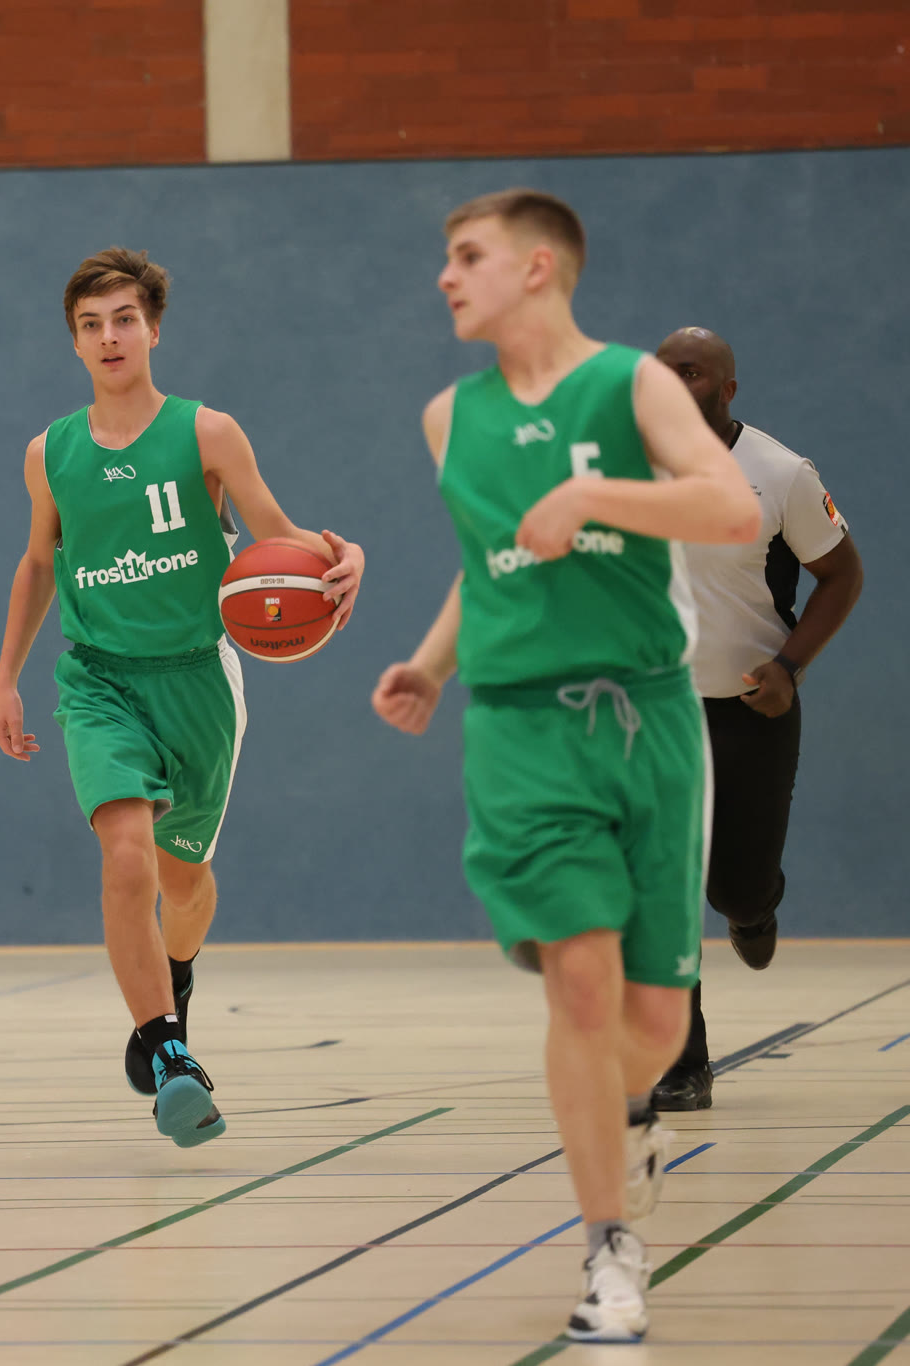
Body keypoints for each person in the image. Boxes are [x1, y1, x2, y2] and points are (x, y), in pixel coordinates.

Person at [372, 190, 760, 1342]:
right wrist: (430, 663)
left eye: (466, 256)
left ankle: (630, 1109)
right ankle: (608, 1251)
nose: (444, 277)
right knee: (578, 981)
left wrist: (593, 494)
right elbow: (486, 563)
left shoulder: (630, 384)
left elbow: (730, 509)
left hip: (647, 718)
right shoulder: (448, 417)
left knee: (653, 1021)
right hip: (520, 727)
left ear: (536, 268)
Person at [0, 246, 364, 1149]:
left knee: (183, 882)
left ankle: (177, 978)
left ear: (153, 330)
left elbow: (279, 538)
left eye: (124, 319)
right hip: (99, 681)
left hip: (197, 680)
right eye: (90, 325)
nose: (109, 337)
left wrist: (346, 558)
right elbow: (38, 563)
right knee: (127, 857)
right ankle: (169, 1055)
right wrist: (6, 678)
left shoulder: (208, 435)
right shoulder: (50, 453)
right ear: (75, 343)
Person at [648, 326, 863, 1111]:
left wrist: (789, 668)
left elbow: (841, 576)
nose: (674, 385)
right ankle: (682, 1064)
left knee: (732, 888)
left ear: (728, 388)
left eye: (692, 372)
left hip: (751, 710)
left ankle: (755, 907)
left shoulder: (779, 474)